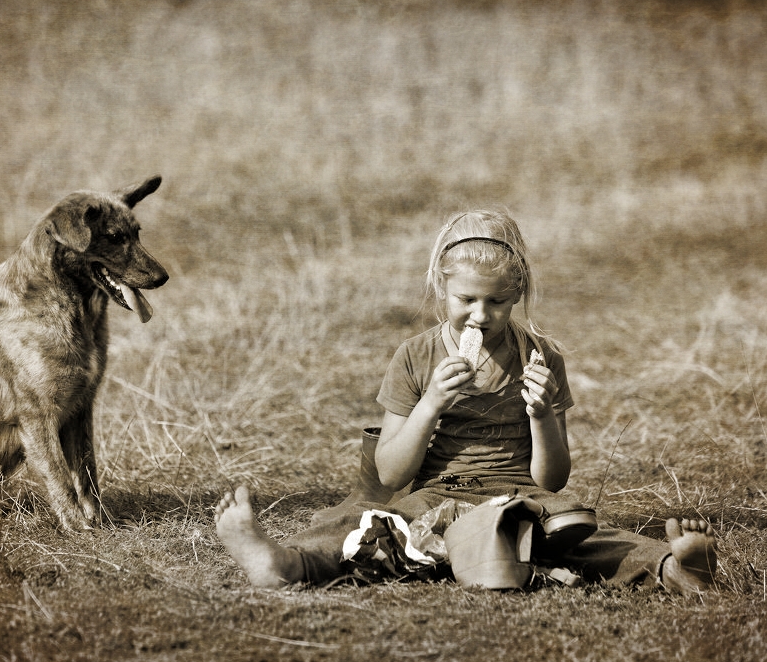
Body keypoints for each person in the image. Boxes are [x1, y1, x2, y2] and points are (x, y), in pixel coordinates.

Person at [215, 209, 718, 594]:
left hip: (524, 495)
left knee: (593, 535)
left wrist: (541, 414)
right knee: (363, 524)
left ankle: (675, 568)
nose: (481, 315)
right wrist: (431, 403)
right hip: (437, 494)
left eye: (497, 301)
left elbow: (553, 478)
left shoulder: (540, 357)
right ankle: (283, 563)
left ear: (517, 293)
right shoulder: (415, 356)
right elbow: (390, 475)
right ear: (442, 287)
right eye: (466, 300)